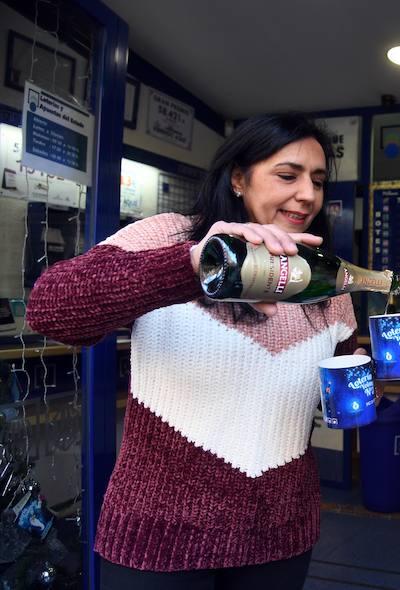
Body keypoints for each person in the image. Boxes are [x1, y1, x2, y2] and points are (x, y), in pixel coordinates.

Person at [26, 113, 363, 589]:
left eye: (318, 180)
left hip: (281, 537)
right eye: (287, 175)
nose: (307, 194)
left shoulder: (326, 282)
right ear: (239, 178)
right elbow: (53, 309)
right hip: (158, 537)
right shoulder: (169, 237)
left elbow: (340, 400)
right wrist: (198, 264)